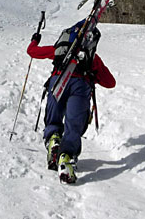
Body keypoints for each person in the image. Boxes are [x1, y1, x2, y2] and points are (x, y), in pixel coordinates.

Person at [27, 21, 115, 183]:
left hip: (58, 81)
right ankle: (66, 156)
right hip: (81, 85)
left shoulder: (59, 51)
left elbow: (31, 51)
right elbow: (110, 83)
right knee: (74, 124)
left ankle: (53, 140)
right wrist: (93, 75)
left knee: (53, 118)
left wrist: (35, 39)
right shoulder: (93, 58)